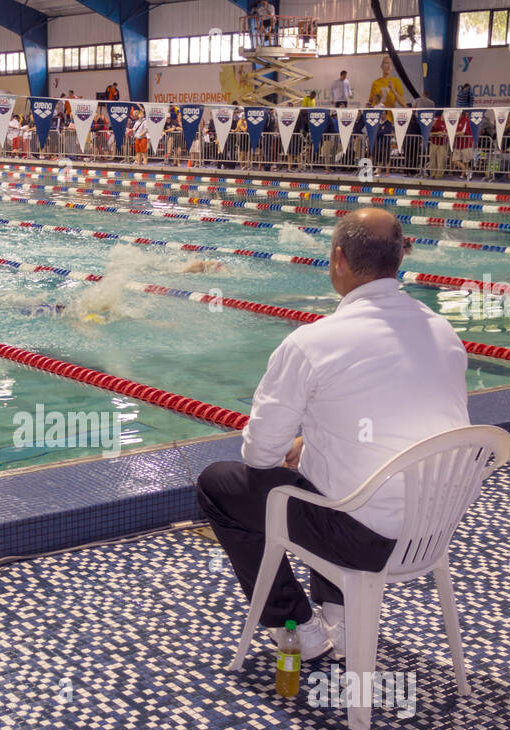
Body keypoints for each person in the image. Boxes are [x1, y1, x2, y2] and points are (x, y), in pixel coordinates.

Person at [196, 209, 469, 660]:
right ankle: (340, 616)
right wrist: (315, 440)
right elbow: (423, 423)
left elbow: (261, 455)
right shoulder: (443, 332)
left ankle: (296, 626)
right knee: (328, 469)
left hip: (364, 539)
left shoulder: (313, 342)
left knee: (221, 484)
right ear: (399, 258)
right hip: (433, 530)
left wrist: (301, 444)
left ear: (339, 259)